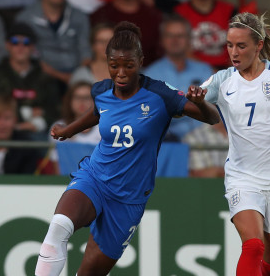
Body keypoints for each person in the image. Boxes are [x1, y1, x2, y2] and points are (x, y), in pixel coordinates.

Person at [36, 22, 218, 276]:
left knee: (89, 273)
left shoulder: (160, 94)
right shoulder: (101, 90)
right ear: (107, 62)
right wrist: (70, 130)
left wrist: (201, 103)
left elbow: (211, 118)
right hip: (95, 178)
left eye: (128, 66)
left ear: (141, 61)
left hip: (128, 198)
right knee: (58, 226)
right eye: (114, 66)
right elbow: (97, 113)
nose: (120, 73)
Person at [194, 13, 270, 276]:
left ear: (259, 45)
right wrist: (187, 98)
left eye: (241, 46)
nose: (233, 52)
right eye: (229, 45)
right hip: (242, 177)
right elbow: (190, 101)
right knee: (253, 245)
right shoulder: (223, 80)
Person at [18, 0, 91, 85]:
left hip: (77, 77)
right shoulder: (25, 19)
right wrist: (63, 77)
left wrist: (79, 77)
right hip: (41, 77)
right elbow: (28, 56)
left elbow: (86, 52)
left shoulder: (80, 16)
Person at [142, 15, 213, 138]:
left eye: (180, 36)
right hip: (166, 140)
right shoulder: (150, 75)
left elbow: (216, 107)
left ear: (189, 39)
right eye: (170, 36)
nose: (175, 40)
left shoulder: (204, 71)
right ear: (162, 40)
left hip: (204, 136)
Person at [0, 22, 61, 132]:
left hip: (39, 130)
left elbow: (55, 109)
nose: (20, 47)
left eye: (26, 42)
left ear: (32, 47)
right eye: (15, 42)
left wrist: (38, 123)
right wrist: (27, 113)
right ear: (7, 45)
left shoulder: (45, 76)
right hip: (7, 130)